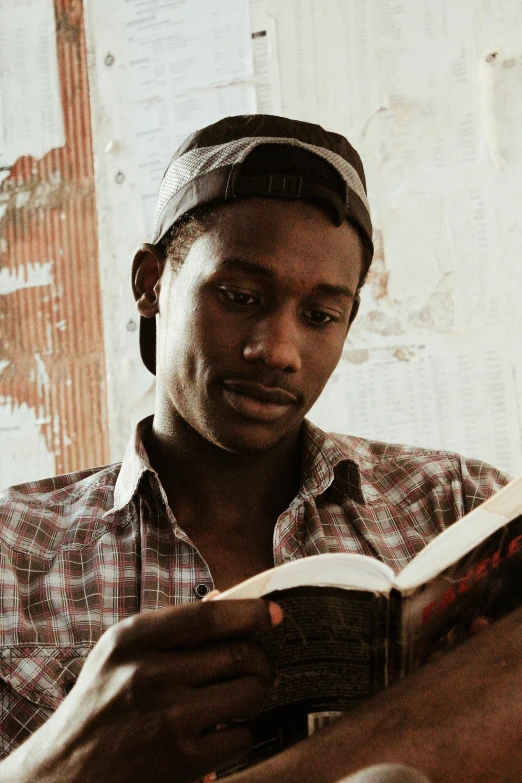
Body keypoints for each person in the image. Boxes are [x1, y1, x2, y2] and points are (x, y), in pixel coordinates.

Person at [0, 115, 517, 783]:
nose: (276, 350)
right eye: (239, 296)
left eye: (320, 316)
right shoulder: (15, 552)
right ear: (151, 283)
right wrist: (60, 762)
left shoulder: (458, 503)